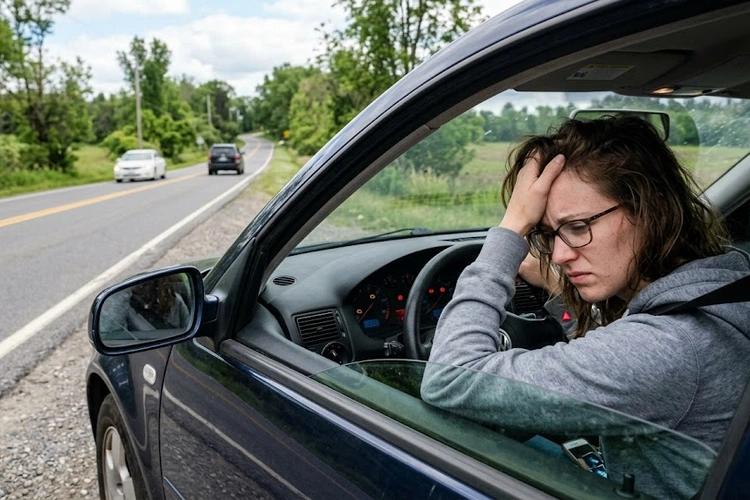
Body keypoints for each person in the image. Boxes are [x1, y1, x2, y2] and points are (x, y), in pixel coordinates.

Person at [421, 116, 750, 498]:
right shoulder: (728, 279)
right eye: (546, 234)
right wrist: (562, 292)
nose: (559, 255)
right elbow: (623, 351)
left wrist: (510, 232)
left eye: (578, 226)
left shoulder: (667, 347)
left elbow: (449, 379)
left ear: (652, 209)